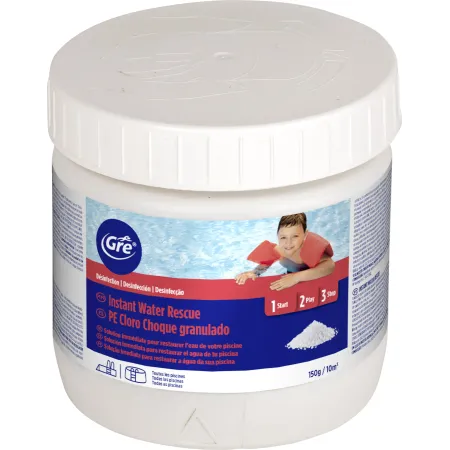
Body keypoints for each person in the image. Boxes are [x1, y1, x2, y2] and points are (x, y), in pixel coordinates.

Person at [235, 213, 335, 291]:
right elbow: (265, 264)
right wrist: (253, 273)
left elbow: (330, 265)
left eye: (295, 236)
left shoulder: (309, 250)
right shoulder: (279, 251)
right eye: (283, 237)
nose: (288, 243)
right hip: (291, 275)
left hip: (309, 280)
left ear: (305, 235)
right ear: (277, 235)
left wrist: (296, 278)